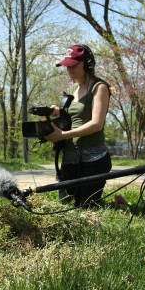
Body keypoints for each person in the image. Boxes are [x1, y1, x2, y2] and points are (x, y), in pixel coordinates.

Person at [44, 44, 112, 207]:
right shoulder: (71, 89)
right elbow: (73, 117)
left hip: (93, 159)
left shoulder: (99, 87)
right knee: (65, 205)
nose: (69, 69)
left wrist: (63, 135)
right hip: (70, 156)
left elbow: (96, 124)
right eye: (67, 65)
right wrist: (59, 113)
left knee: (86, 205)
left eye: (74, 65)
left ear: (88, 64)